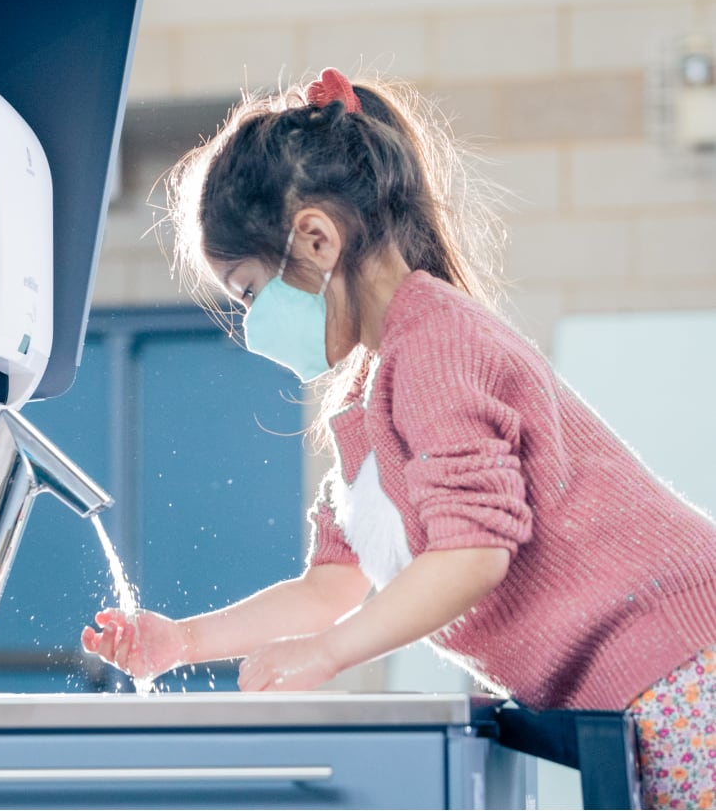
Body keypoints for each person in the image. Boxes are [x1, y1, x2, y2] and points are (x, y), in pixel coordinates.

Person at [79, 66, 716, 809]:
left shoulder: (437, 343)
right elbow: (329, 586)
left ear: (315, 239)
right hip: (644, 687)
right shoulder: (367, 395)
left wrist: (328, 654)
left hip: (683, 668)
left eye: (250, 292)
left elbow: (472, 553)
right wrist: (181, 642)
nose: (253, 328)